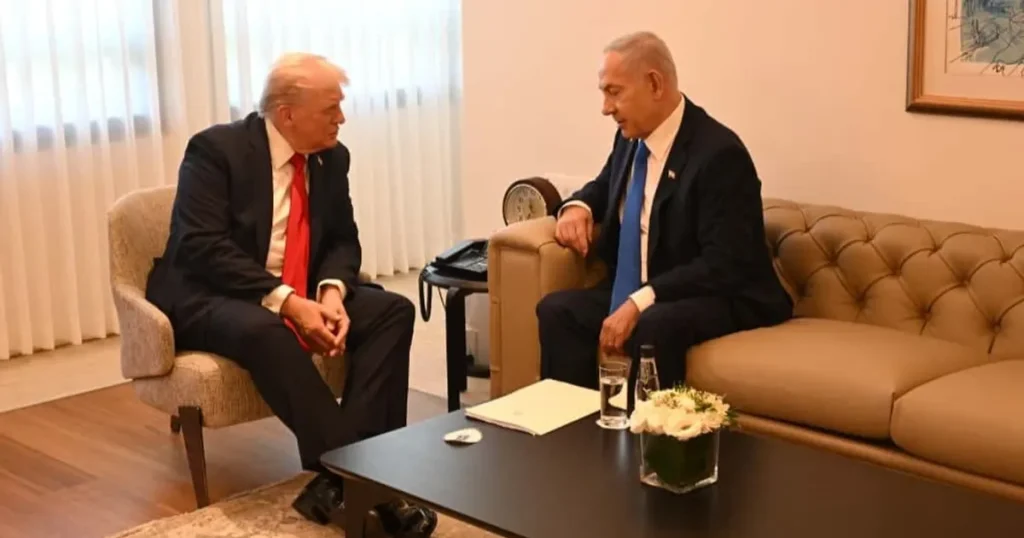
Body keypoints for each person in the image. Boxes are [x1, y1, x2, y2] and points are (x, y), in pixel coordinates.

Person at [146, 53, 436, 535]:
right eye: (331, 108)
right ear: (287, 114)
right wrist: (287, 301)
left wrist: (331, 293)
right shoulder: (216, 151)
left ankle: (340, 482)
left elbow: (342, 239)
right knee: (266, 330)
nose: (342, 119)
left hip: (299, 287)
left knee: (392, 311)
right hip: (210, 292)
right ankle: (368, 483)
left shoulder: (331, 157)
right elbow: (201, 247)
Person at [537, 32, 792, 408]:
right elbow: (606, 185)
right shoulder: (631, 138)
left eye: (614, 92)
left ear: (655, 84)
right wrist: (578, 207)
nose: (606, 108)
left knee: (654, 325)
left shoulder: (719, 154)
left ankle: (651, 438)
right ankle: (572, 431)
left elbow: (724, 263)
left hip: (717, 293)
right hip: (647, 289)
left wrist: (640, 301)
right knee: (558, 311)